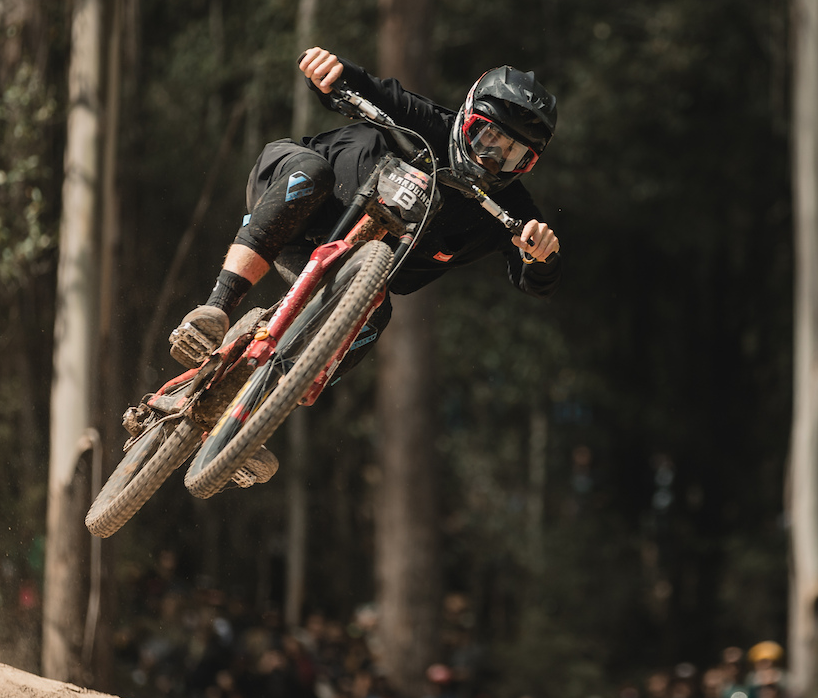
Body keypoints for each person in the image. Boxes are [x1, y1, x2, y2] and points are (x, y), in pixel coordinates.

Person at [166, 47, 563, 481]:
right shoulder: (428, 121)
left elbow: (536, 280)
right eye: (487, 138)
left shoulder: (512, 210)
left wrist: (539, 253)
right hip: (293, 197)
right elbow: (358, 85)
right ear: (466, 117)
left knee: (378, 312)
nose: (491, 159)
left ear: (527, 166)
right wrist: (327, 68)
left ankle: (243, 433)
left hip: (346, 268)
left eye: (511, 155)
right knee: (312, 171)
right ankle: (214, 310)